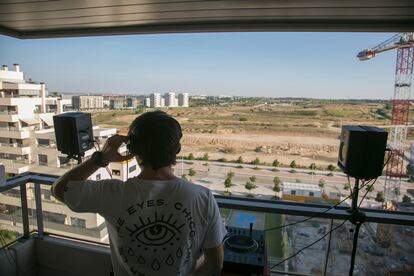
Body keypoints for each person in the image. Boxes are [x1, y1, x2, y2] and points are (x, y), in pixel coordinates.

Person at [51, 110, 226, 276]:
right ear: (177, 150)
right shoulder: (202, 197)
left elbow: (59, 189)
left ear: (132, 150)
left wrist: (101, 159)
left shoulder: (110, 193)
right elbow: (215, 264)